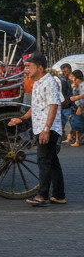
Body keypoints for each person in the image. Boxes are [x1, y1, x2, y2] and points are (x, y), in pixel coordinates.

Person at [11, 54, 66, 207]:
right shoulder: (37, 83)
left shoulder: (49, 82)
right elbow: (35, 107)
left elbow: (53, 106)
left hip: (48, 128)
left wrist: (46, 129)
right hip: (42, 127)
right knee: (52, 161)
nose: (26, 70)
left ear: (40, 68)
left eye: (29, 66)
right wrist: (21, 118)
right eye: (25, 67)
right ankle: (59, 195)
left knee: (43, 161)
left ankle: (42, 195)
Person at [68, 69, 84, 146]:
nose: (71, 78)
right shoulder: (77, 85)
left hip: (81, 107)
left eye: (72, 77)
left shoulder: (82, 85)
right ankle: (77, 140)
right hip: (79, 106)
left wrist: (79, 106)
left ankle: (78, 141)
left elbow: (80, 98)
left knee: (77, 122)